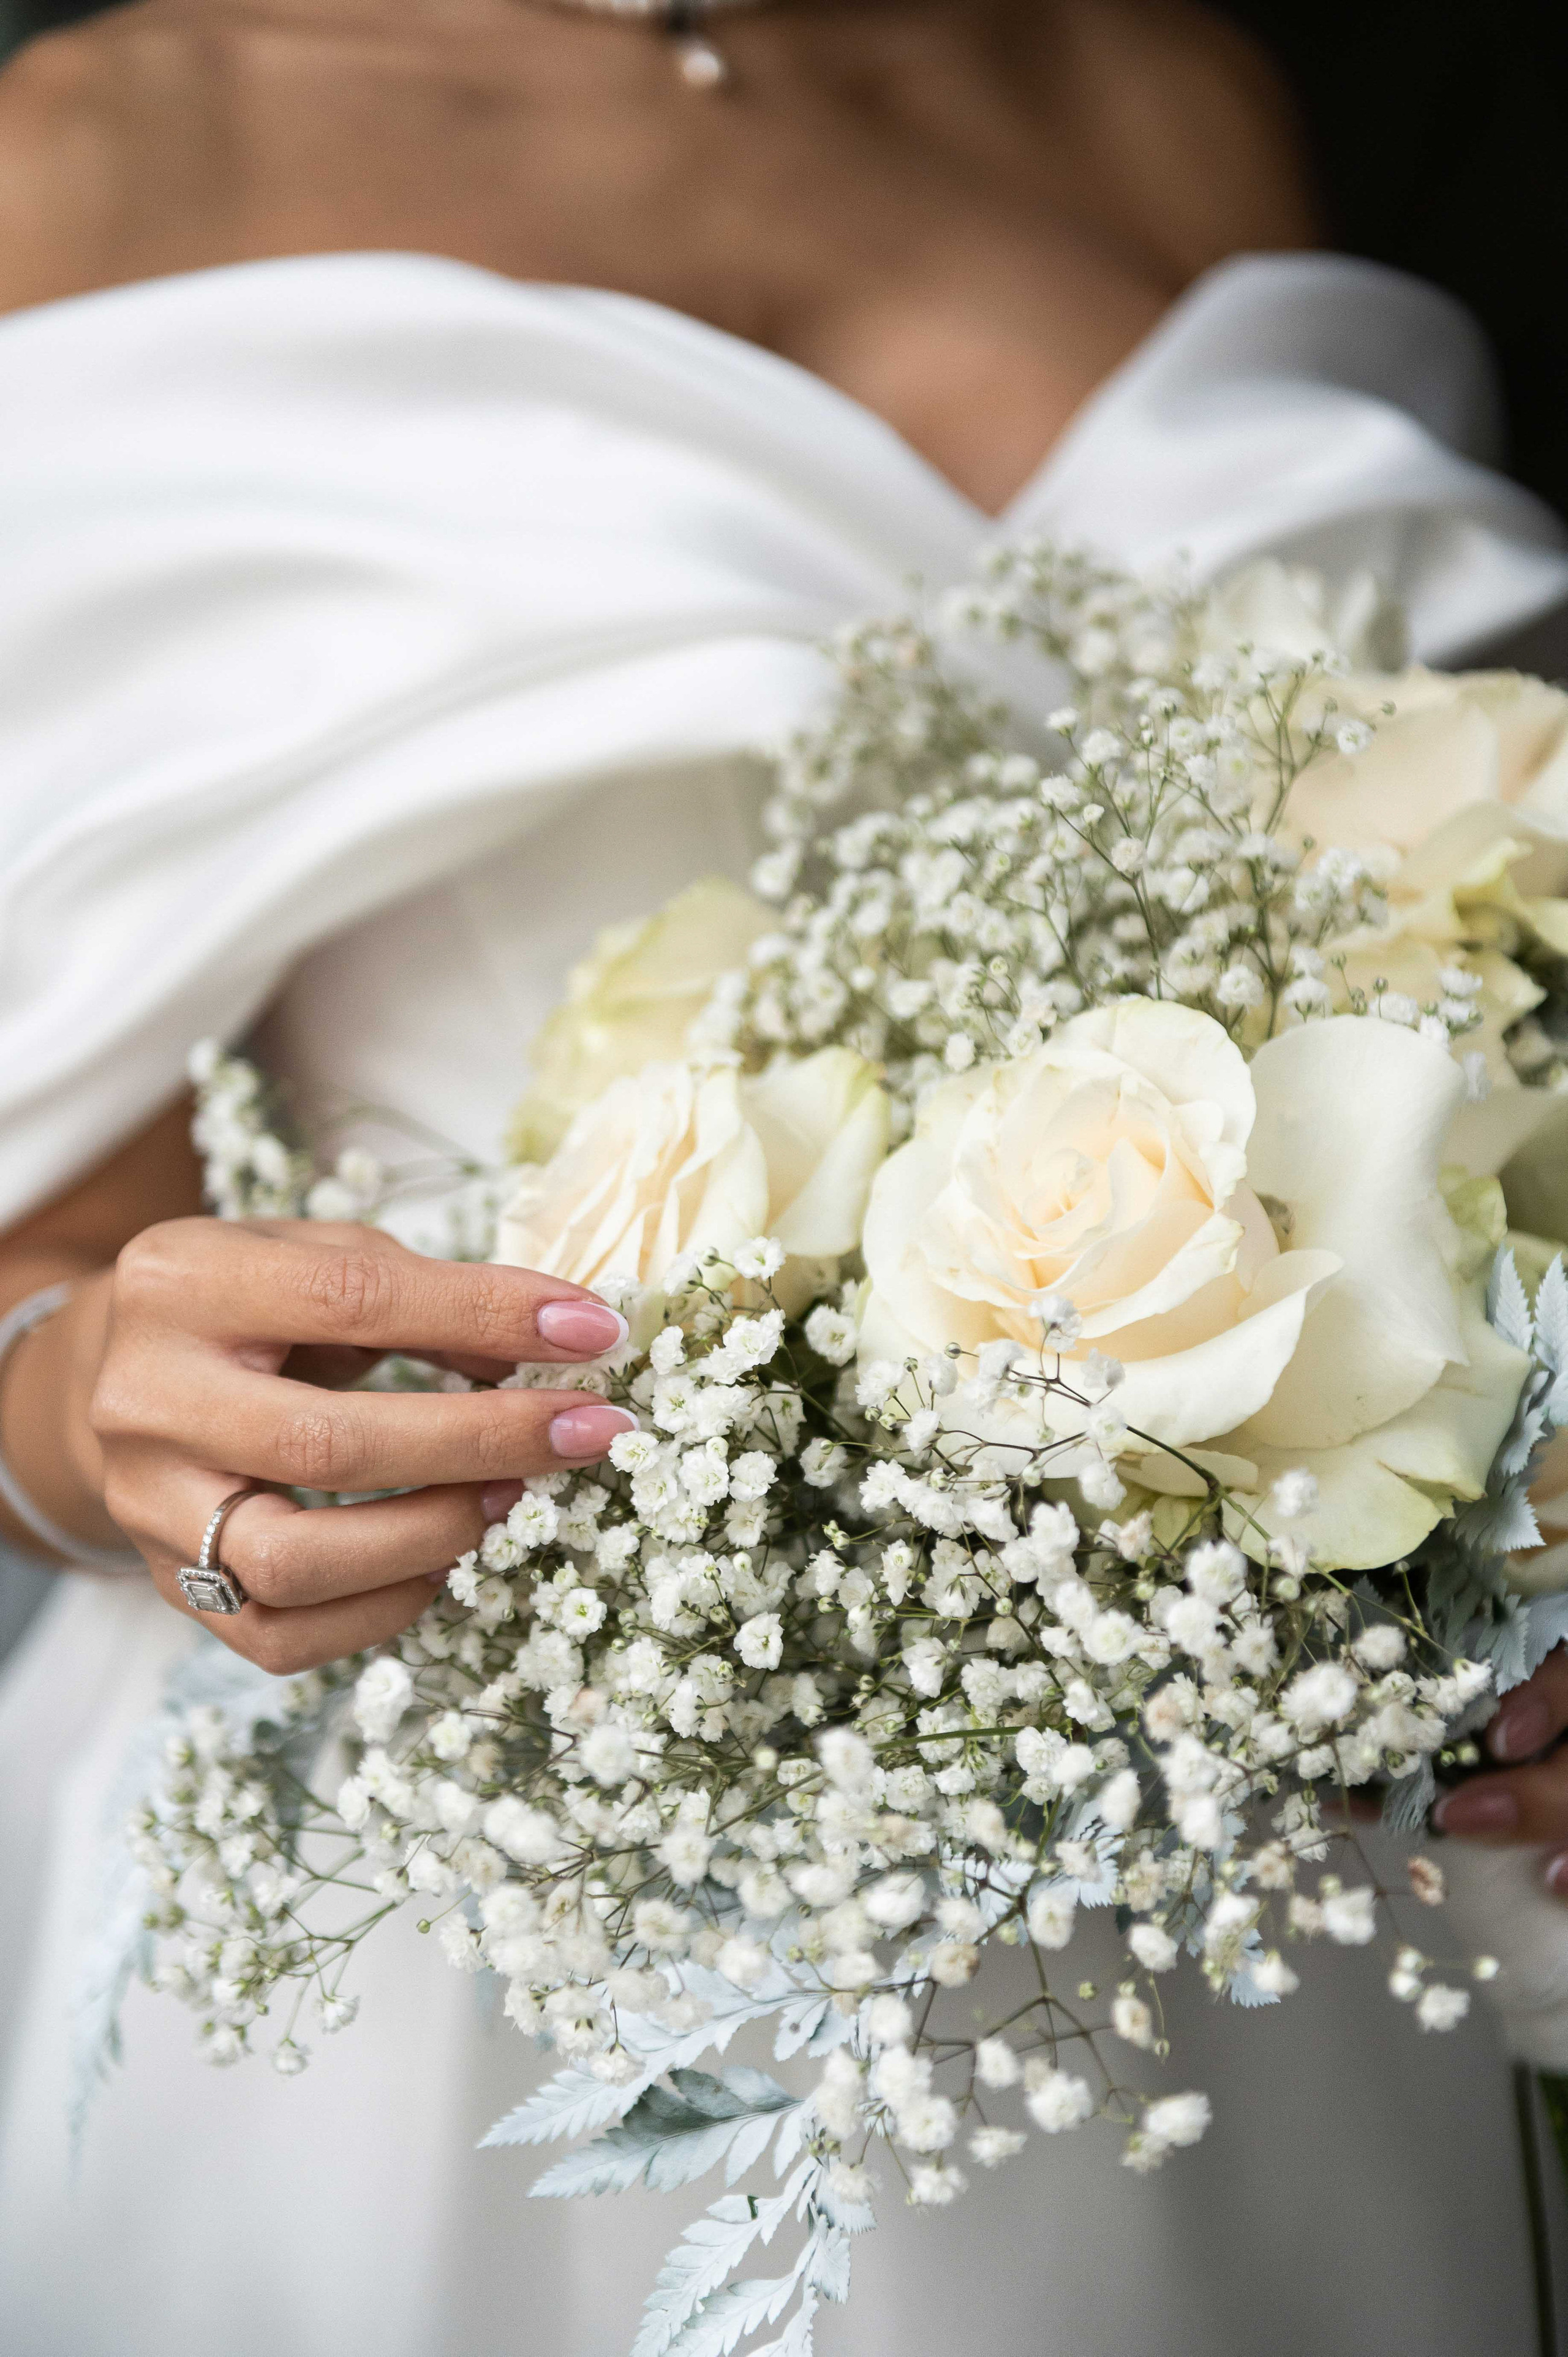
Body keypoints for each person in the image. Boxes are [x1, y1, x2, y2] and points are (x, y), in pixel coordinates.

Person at [1, 4, 1566, 2350]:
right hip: (497, 1864)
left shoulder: (1157, 88)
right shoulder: (103, 159)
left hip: (1258, 1897)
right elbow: (45, 1265)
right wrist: (97, 1410)